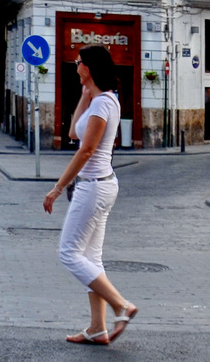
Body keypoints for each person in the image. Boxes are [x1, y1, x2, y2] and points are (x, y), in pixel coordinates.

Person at [42, 46, 137, 345]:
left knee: (68, 253)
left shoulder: (103, 106)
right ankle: (98, 328)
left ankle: (121, 305)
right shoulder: (97, 101)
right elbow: (73, 134)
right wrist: (85, 94)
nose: (75, 67)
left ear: (91, 67)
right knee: (91, 258)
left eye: (79, 63)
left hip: (93, 185)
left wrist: (57, 188)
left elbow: (85, 150)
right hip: (99, 185)